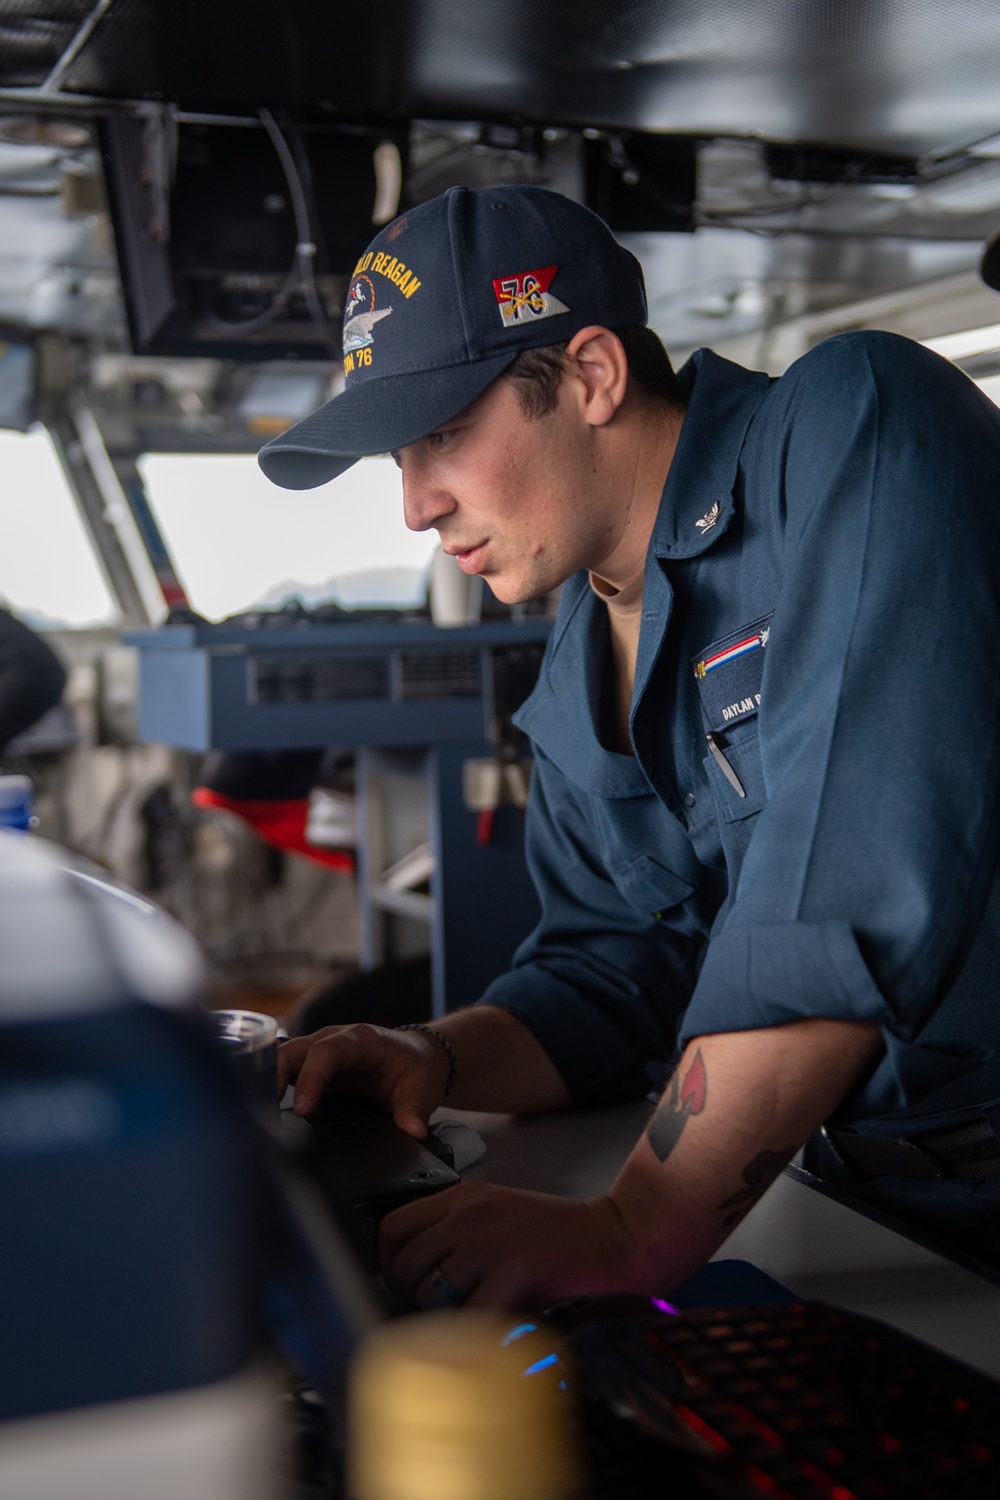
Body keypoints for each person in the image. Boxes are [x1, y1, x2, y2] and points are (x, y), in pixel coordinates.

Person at [259, 185, 1000, 1308]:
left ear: (593, 376)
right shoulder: (576, 656)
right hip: (850, 1199)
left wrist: (629, 1230)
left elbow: (834, 909)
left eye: (445, 434)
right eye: (397, 459)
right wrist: (435, 1056)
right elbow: (612, 976)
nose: (413, 505)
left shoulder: (853, 427)